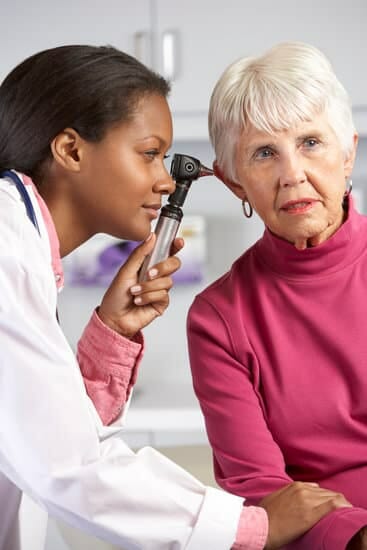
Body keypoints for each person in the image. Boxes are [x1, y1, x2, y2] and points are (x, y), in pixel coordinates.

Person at [0, 43, 350, 550]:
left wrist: (113, 334)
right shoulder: (8, 249)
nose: (166, 180)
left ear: (349, 152)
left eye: (312, 142)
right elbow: (65, 466)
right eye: (150, 153)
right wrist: (253, 525)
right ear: (72, 151)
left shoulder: (22, 247)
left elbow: (43, 433)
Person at [187, 40, 367, 550]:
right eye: (265, 153)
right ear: (235, 182)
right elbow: (265, 496)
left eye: (310, 142)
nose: (292, 174)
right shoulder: (218, 318)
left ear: (347, 150)